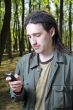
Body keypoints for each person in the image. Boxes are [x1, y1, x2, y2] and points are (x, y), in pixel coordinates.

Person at [6, 10, 73, 110]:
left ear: (51, 32)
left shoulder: (70, 64)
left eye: (37, 35)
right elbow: (18, 98)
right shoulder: (24, 62)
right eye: (29, 37)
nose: (33, 42)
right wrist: (18, 90)